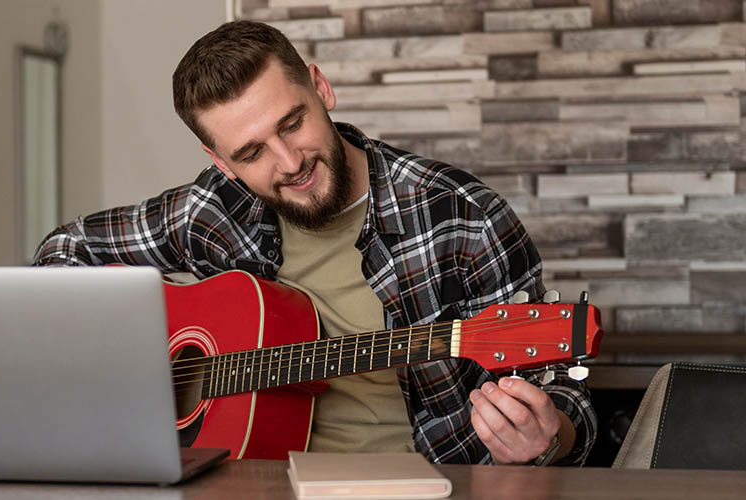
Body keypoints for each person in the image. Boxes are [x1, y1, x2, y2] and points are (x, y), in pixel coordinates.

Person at [34, 20, 596, 465]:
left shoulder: (459, 215)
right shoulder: (214, 209)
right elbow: (64, 250)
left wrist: (544, 437)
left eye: (292, 123)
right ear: (220, 164)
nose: (289, 162)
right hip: (242, 478)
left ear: (320, 87)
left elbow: (567, 402)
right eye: (251, 153)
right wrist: (126, 342)